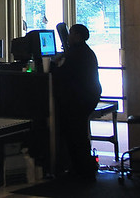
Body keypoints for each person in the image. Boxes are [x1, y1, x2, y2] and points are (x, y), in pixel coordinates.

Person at [52, 23, 102, 181]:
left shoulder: (75, 54)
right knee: (79, 132)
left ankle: (82, 168)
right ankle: (84, 167)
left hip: (80, 99)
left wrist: (53, 63)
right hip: (89, 96)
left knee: (76, 134)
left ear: (78, 36)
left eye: (71, 33)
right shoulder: (85, 51)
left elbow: (61, 74)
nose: (69, 36)